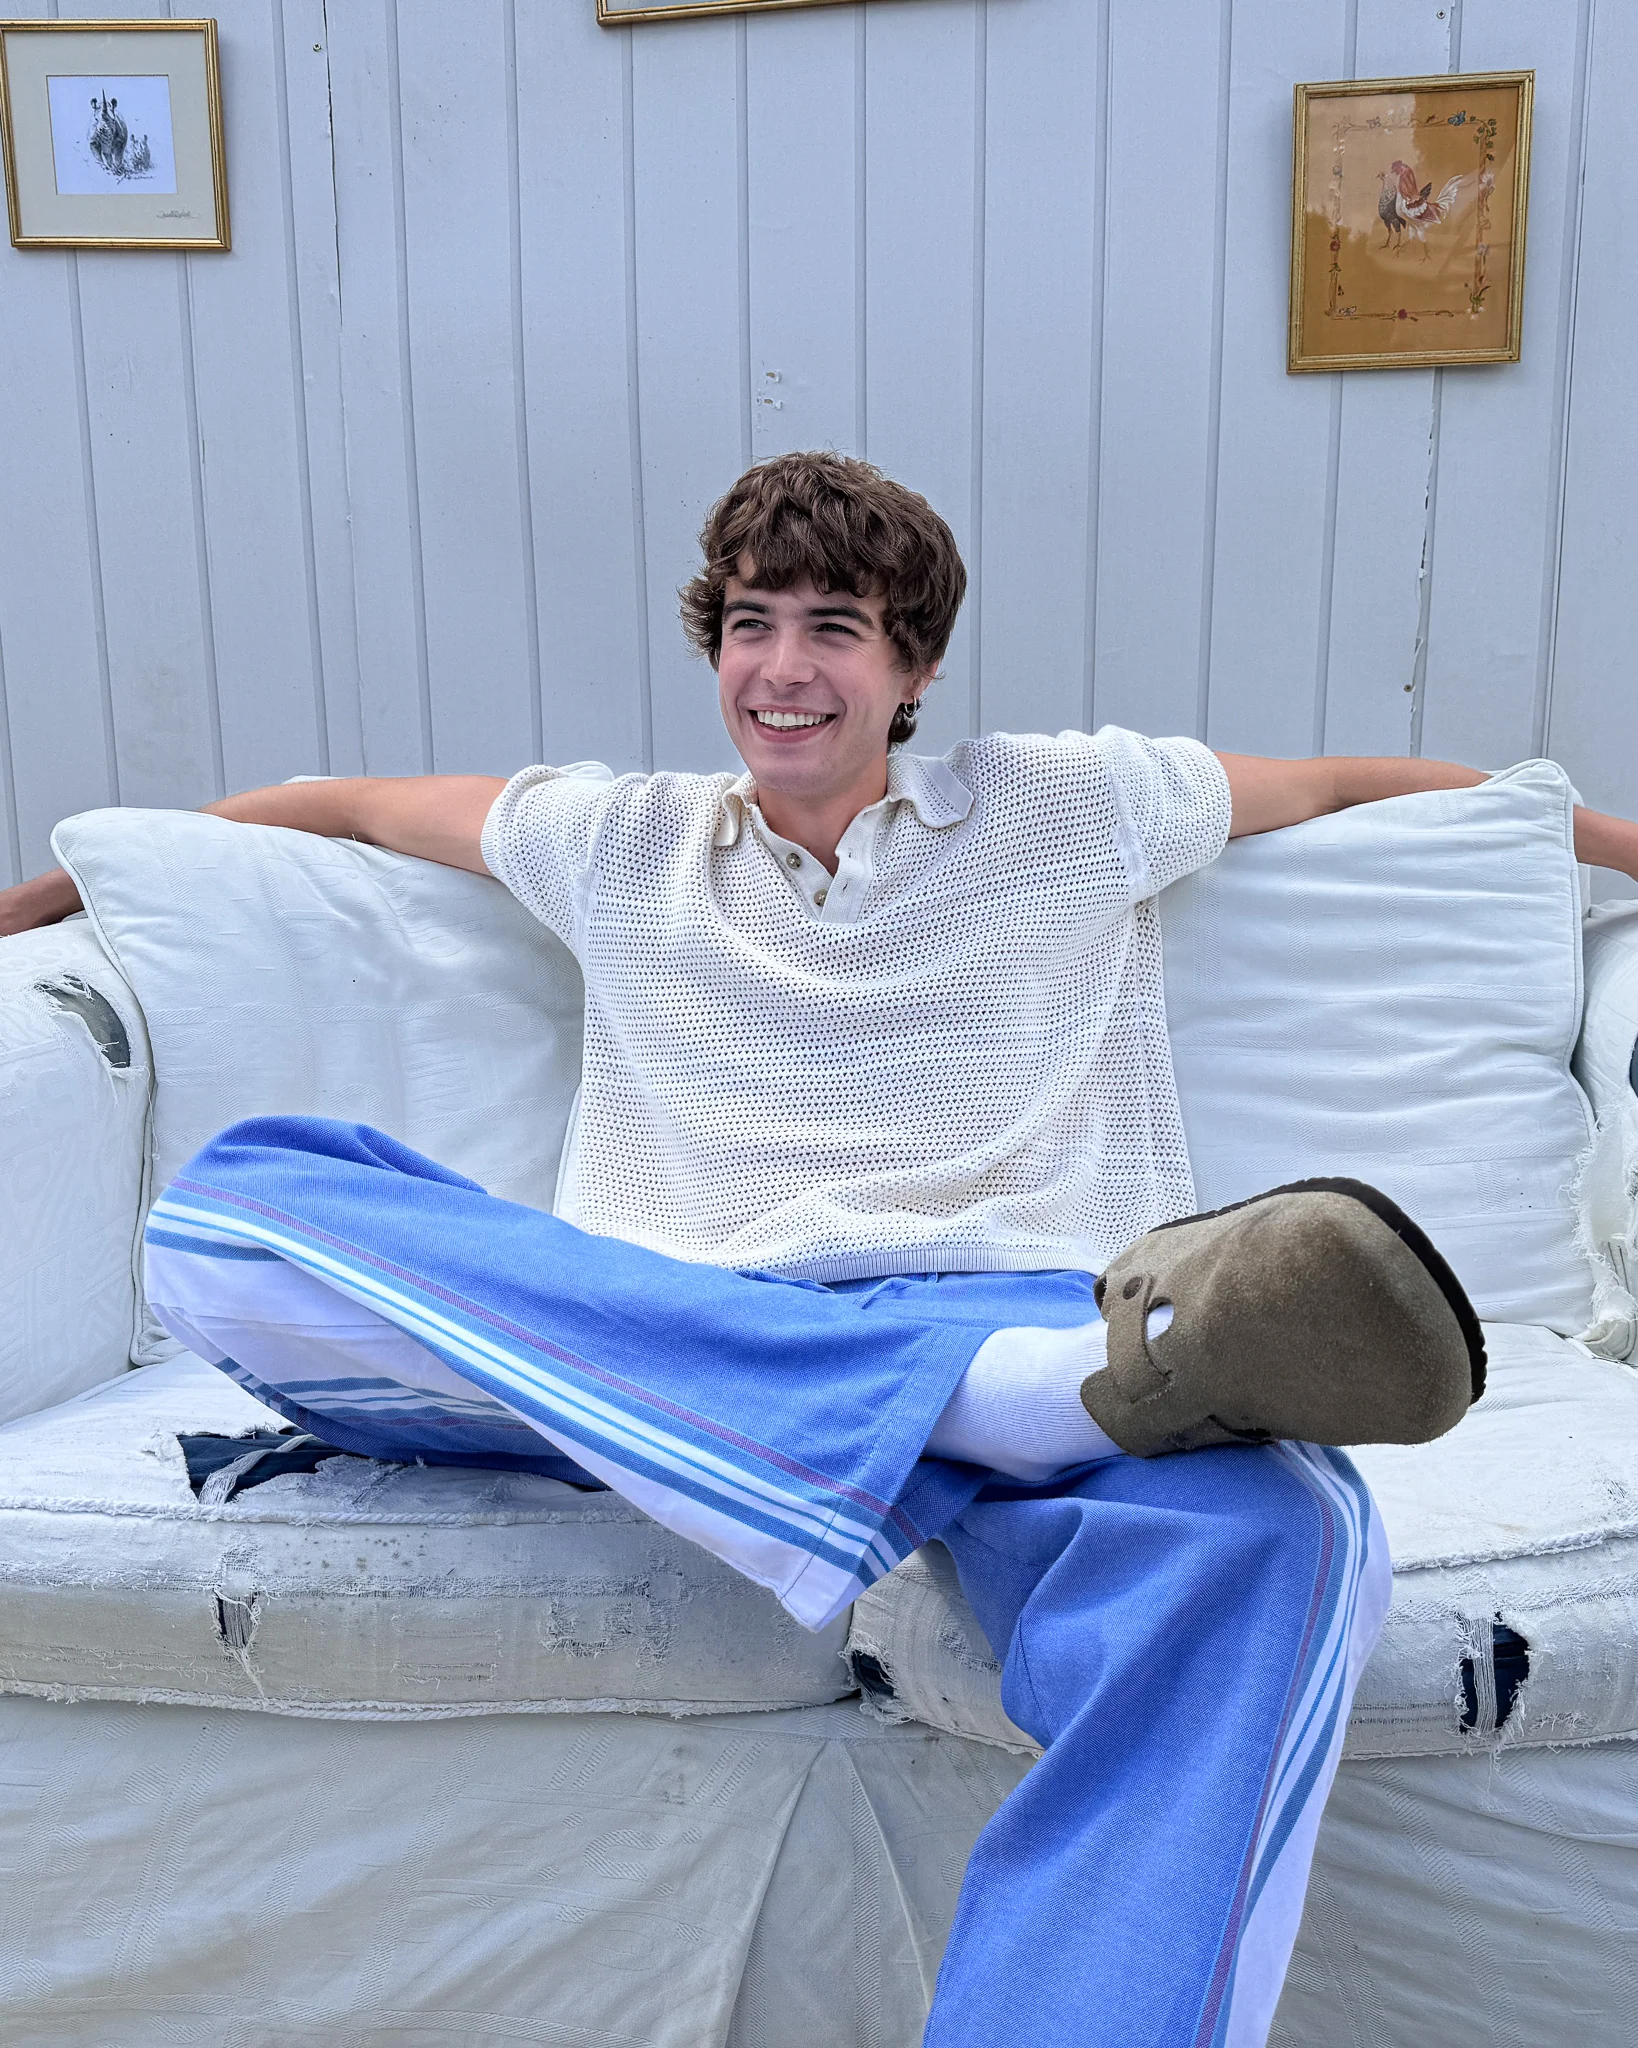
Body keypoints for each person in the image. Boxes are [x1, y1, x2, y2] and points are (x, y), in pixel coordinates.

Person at [5, 451, 1636, 2045]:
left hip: (988, 1301)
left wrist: (1618, 849)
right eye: (750, 624)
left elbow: (1359, 786)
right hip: (666, 1341)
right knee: (241, 1208)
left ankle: (991, 1396)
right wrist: (72, 892)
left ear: (912, 667)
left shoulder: (1071, 805)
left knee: (1284, 1537)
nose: (781, 670)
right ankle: (1022, 1405)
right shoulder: (614, 837)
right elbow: (333, 808)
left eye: (834, 628)